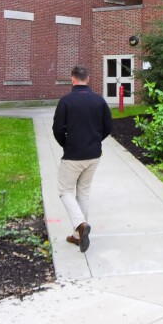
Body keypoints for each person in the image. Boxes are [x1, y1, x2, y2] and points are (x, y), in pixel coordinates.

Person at [51, 64, 113, 253]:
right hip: (93, 155)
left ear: (72, 79)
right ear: (88, 79)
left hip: (73, 155)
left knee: (64, 191)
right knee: (83, 193)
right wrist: (95, 140)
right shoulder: (99, 100)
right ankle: (78, 236)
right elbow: (108, 127)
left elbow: (57, 129)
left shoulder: (66, 101)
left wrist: (66, 144)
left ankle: (81, 224)